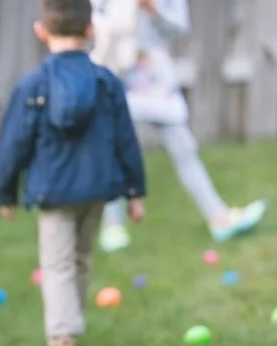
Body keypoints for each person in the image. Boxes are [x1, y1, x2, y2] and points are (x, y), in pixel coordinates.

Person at [0, 0, 146, 346]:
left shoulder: (32, 84)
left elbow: (14, 142)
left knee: (58, 265)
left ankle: (61, 343)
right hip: (97, 191)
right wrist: (135, 191)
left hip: (54, 193)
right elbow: (127, 139)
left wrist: (6, 191)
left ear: (41, 31)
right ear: (91, 31)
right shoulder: (107, 82)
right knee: (79, 259)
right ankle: (69, 330)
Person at [90, 0, 267, 252]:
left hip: (154, 76)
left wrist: (153, 9)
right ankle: (113, 226)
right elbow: (91, 19)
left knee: (184, 148)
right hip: (115, 71)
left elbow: (180, 27)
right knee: (112, 148)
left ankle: (219, 218)